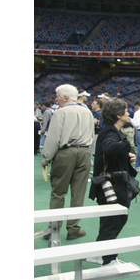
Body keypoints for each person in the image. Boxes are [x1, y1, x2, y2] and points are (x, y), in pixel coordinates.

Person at [87, 98, 137, 265]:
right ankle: (108, 258)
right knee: (114, 221)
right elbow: (108, 148)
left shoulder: (111, 130)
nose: (128, 112)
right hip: (113, 186)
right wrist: (126, 146)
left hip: (111, 184)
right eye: (125, 110)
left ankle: (99, 253)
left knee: (111, 221)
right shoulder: (110, 132)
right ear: (118, 114)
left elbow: (109, 151)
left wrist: (125, 155)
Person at [40, 84, 94, 241]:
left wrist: (47, 158)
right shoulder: (88, 112)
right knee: (79, 193)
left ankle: (53, 229)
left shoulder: (60, 113)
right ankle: (73, 228)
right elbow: (91, 135)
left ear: (64, 97)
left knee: (58, 192)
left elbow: (53, 138)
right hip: (84, 152)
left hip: (65, 153)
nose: (56, 98)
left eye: (57, 96)